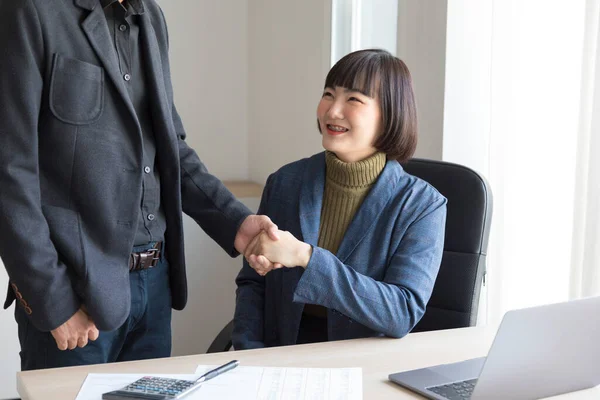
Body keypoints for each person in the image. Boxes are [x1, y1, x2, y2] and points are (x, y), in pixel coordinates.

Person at [0, 0, 278, 370]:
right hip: (75, 294)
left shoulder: (152, 16)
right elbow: (9, 172)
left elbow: (170, 148)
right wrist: (51, 302)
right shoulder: (28, 10)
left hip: (155, 287)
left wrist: (236, 223)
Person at [233, 49, 447, 349]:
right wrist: (248, 353)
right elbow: (254, 284)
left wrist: (307, 257)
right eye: (329, 94)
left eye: (354, 99)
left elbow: (402, 312)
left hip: (364, 368)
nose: (332, 111)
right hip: (280, 358)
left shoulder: (422, 206)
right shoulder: (285, 182)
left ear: (390, 114)